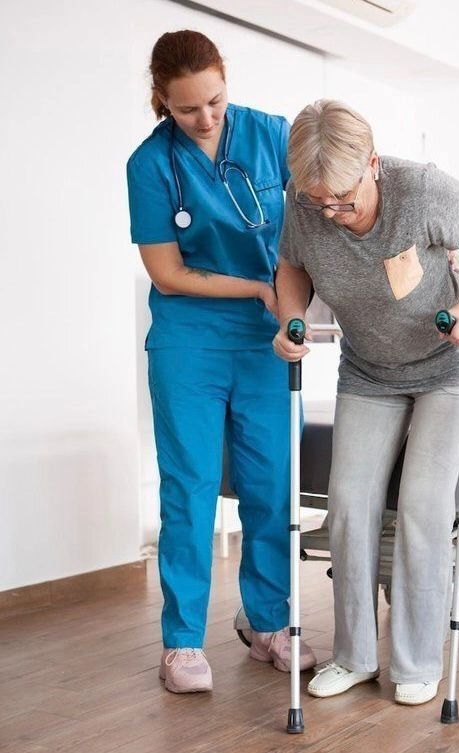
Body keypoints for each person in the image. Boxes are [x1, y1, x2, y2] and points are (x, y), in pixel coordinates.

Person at [273, 99, 459, 706]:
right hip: (369, 370)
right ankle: (353, 654)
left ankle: (415, 661)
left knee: (425, 507)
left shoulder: (421, 190)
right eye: (320, 200)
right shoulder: (307, 204)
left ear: (373, 164)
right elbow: (292, 264)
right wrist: (290, 318)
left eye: (344, 199)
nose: (332, 212)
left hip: (448, 365)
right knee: (348, 504)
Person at [126, 30, 316, 694]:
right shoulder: (150, 166)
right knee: (191, 489)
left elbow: (317, 218)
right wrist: (258, 287)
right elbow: (168, 272)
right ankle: (180, 641)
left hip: (268, 340)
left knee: (272, 487)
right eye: (186, 110)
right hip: (190, 341)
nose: (205, 118)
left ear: (225, 81)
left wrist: (296, 297)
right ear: (162, 103)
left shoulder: (272, 135)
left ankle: (268, 622)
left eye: (213, 100)